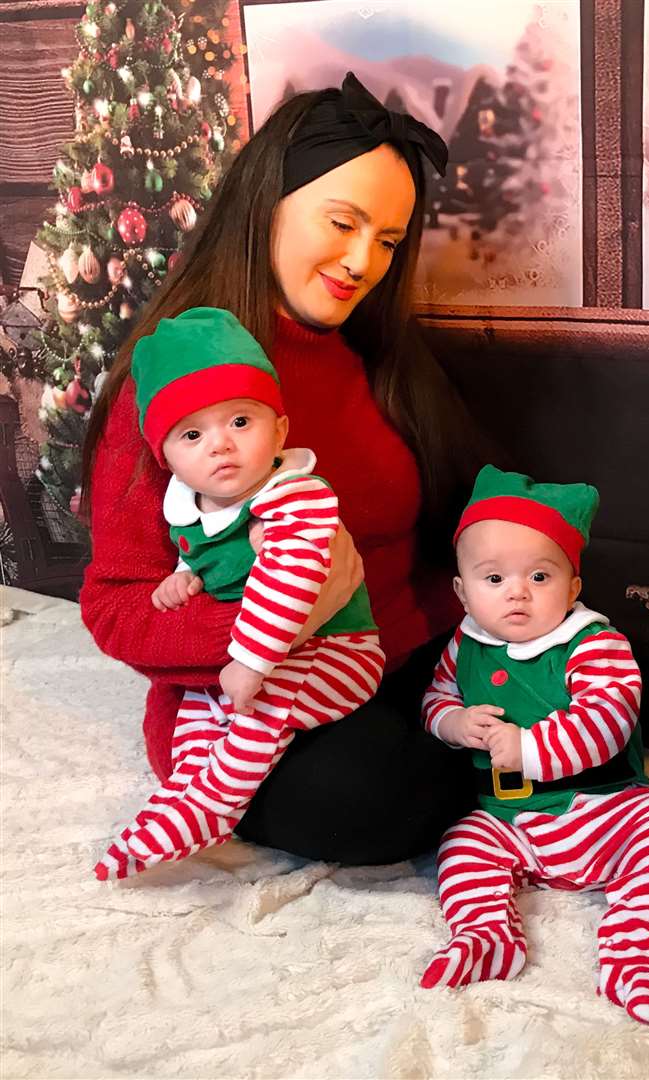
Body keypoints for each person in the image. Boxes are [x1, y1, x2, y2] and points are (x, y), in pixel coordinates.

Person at [80, 73, 486, 864]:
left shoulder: (382, 362)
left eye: (390, 241)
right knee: (369, 804)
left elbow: (444, 543)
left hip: (393, 662)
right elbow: (117, 606)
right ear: (268, 203)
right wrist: (278, 622)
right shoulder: (176, 387)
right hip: (258, 695)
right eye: (343, 222)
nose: (364, 260)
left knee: (580, 682)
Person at [94, 308, 385, 879]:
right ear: (166, 457)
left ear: (278, 430)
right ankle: (183, 791)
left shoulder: (295, 494)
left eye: (240, 423)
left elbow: (294, 577)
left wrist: (251, 660)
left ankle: (213, 804)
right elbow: (206, 559)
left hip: (340, 651)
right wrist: (186, 578)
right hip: (268, 656)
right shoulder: (189, 509)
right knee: (201, 710)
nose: (220, 446)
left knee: (261, 704)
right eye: (194, 435)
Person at [418, 466, 649, 1027]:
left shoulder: (593, 641)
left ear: (573, 587)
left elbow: (608, 718)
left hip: (605, 807)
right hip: (511, 818)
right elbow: (435, 696)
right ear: (461, 590)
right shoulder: (465, 642)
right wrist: (453, 723)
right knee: (462, 844)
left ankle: (636, 959)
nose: (516, 593)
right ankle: (486, 935)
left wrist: (527, 747)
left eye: (540, 577)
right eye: (493, 579)